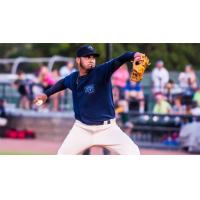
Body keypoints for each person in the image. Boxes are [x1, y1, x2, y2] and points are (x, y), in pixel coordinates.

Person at [34, 44, 142, 155]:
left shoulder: (102, 71)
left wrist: (134, 55)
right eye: (87, 57)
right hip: (82, 129)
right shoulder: (73, 78)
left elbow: (119, 60)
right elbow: (62, 83)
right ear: (78, 60)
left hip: (107, 129)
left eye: (93, 57)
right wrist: (46, 94)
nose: (91, 60)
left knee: (133, 153)